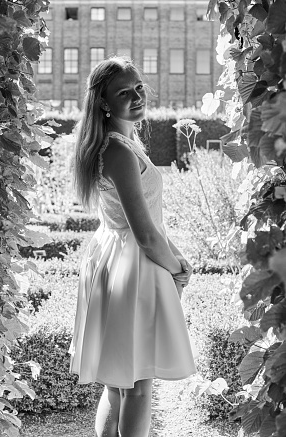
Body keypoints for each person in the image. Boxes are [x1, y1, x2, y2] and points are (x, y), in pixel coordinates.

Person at [69, 56, 196, 437]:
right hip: (132, 266)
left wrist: (175, 253)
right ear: (105, 102)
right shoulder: (120, 151)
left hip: (112, 260)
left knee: (119, 382)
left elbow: (141, 218)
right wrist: (175, 268)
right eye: (125, 92)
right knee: (139, 384)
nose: (137, 95)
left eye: (139, 87)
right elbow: (143, 233)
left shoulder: (118, 143)